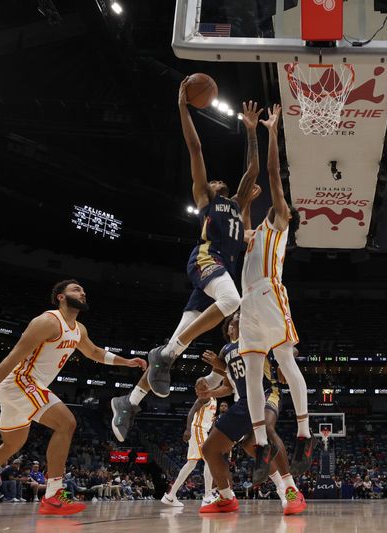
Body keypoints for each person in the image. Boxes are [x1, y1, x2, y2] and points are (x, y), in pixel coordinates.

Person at [110, 81, 264, 442]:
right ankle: (164, 354)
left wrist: (253, 131)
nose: (216, 179)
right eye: (211, 180)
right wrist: (182, 106)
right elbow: (195, 147)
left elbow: (253, 171)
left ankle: (128, 402)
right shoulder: (205, 198)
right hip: (206, 260)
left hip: (218, 270)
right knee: (232, 302)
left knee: (176, 342)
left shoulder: (237, 204)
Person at [0, 280, 147, 516]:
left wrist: (126, 361)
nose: (82, 293)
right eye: (75, 290)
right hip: (20, 381)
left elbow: (94, 352)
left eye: (83, 290)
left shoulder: (78, 329)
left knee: (10, 446)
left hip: (25, 386)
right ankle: (53, 496)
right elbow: (12, 357)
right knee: (67, 423)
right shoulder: (47, 322)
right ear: (60, 297)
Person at [237, 104, 314, 483]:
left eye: (282, 204)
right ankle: (259, 445)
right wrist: (249, 130)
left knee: (285, 360)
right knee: (253, 373)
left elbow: (270, 174)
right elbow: (246, 209)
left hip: (269, 293)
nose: (278, 203)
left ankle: (304, 433)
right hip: (247, 302)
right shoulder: (253, 235)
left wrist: (270, 132)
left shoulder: (280, 222)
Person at [195, 311, 306, 515]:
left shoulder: (256, 334)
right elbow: (228, 386)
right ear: (229, 328)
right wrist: (209, 391)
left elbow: (292, 349)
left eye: (242, 313)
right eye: (235, 315)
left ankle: (291, 491)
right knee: (212, 449)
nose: (240, 314)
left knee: (267, 429)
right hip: (243, 402)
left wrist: (284, 362)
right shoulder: (226, 350)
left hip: (267, 393)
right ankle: (227, 497)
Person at [161, 394, 220, 508]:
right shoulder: (206, 397)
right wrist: (188, 429)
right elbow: (191, 412)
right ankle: (207, 497)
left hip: (202, 431)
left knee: (191, 464)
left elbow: (208, 418)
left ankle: (170, 495)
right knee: (210, 459)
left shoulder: (214, 399)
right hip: (198, 429)